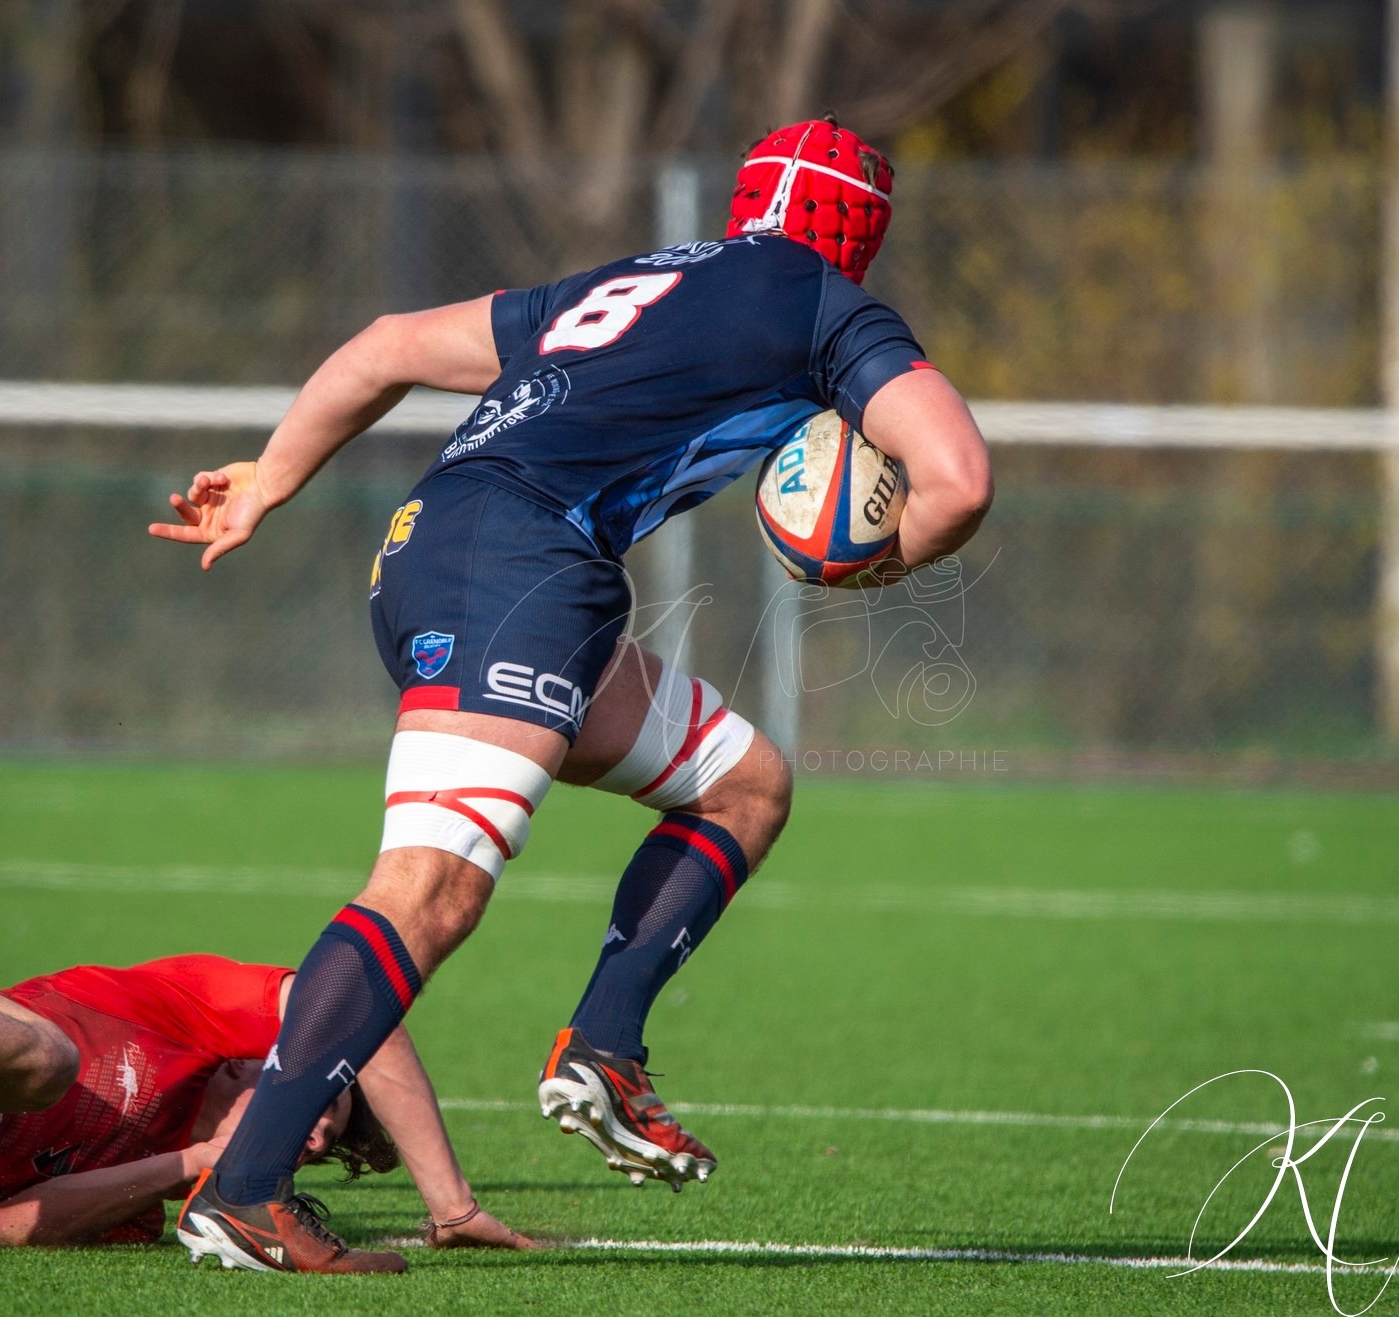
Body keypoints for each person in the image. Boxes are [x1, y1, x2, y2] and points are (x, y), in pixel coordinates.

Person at [147, 115, 994, 1273]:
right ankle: (244, 1195)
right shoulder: (822, 303)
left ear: (748, 196)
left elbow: (388, 344)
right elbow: (956, 480)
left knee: (743, 784)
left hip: (449, 547)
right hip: (517, 568)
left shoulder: (640, 278)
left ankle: (604, 1047)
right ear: (863, 231)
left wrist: (268, 481)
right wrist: (881, 557)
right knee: (429, 890)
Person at [0, 952, 530, 1263]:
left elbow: (4, 1226)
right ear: (267, 1062)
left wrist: (190, 1166)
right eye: (319, 1103)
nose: (314, 1134)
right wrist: (452, 1209)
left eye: (321, 1143)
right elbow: (364, 1007)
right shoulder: (185, 1015)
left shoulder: (150, 1201)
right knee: (44, 1059)